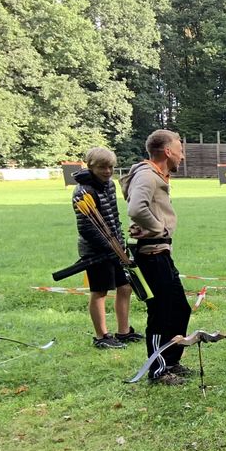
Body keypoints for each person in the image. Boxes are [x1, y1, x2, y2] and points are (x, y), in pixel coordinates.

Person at [121, 130, 191, 385]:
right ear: (167, 151)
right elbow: (135, 208)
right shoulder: (147, 175)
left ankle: (171, 361)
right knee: (160, 312)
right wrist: (157, 228)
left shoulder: (154, 175)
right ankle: (158, 370)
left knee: (180, 308)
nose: (182, 154)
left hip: (161, 252)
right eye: (179, 148)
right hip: (151, 254)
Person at [73, 147, 142, 349]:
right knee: (100, 292)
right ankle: (102, 336)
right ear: (91, 166)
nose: (108, 171)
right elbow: (86, 228)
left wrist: (120, 244)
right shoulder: (82, 191)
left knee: (125, 287)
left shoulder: (109, 186)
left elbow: (114, 218)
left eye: (111, 167)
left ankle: (123, 331)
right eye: (102, 167)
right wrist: (109, 248)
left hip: (115, 246)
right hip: (95, 251)